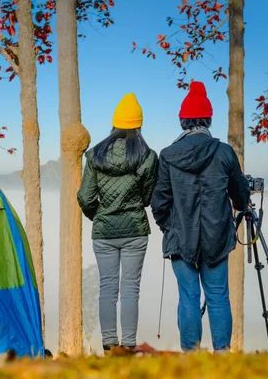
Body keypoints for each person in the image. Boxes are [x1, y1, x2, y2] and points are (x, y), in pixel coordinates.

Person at [151, 81, 250, 353]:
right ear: (209, 118)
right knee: (218, 296)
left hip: (180, 237)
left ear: (183, 120)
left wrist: (169, 226)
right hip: (217, 237)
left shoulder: (168, 155)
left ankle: (190, 357)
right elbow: (241, 197)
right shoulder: (225, 152)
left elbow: (159, 201)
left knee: (189, 298)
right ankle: (222, 355)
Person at [78, 93, 158, 351]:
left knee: (107, 288)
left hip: (103, 232)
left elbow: (86, 197)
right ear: (138, 125)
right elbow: (148, 197)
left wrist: (99, 216)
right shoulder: (147, 156)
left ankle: (109, 346)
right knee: (130, 289)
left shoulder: (95, 155)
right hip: (135, 229)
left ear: (114, 124)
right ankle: (130, 347)